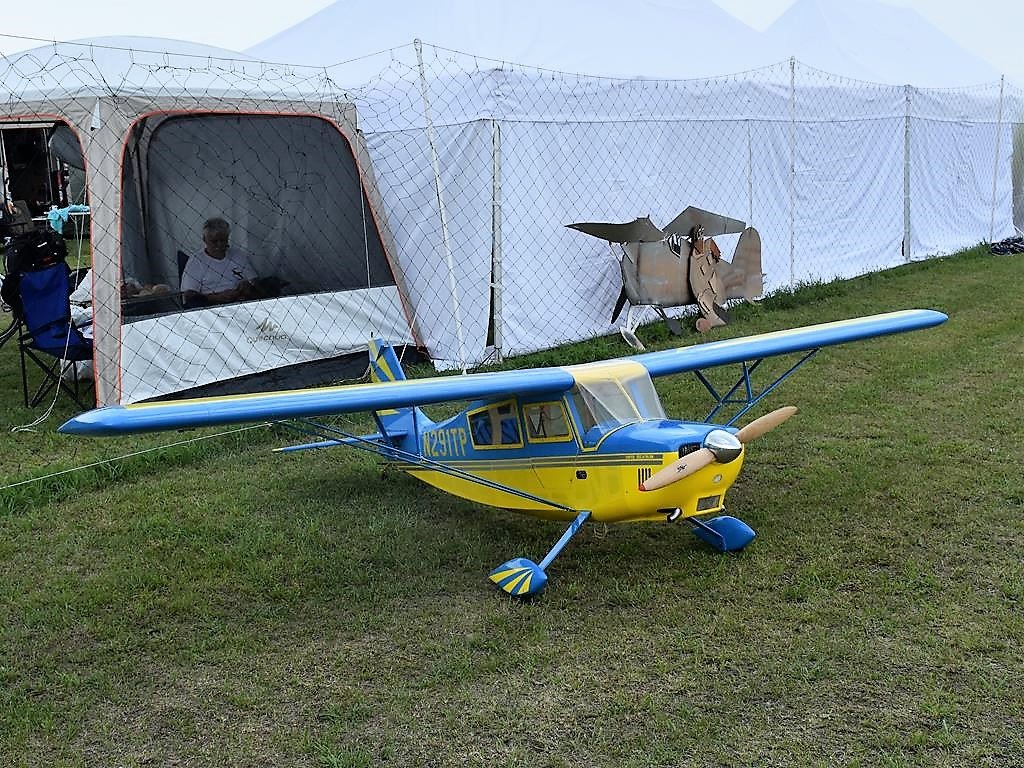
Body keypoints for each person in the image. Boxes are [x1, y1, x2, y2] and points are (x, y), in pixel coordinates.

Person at [181, 217, 262, 307]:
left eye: (223, 240)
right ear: (204, 240)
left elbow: (255, 281)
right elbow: (188, 295)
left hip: (241, 301)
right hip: (210, 306)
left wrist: (248, 285)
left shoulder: (238, 254)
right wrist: (216, 297)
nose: (219, 244)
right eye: (214, 241)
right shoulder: (196, 261)